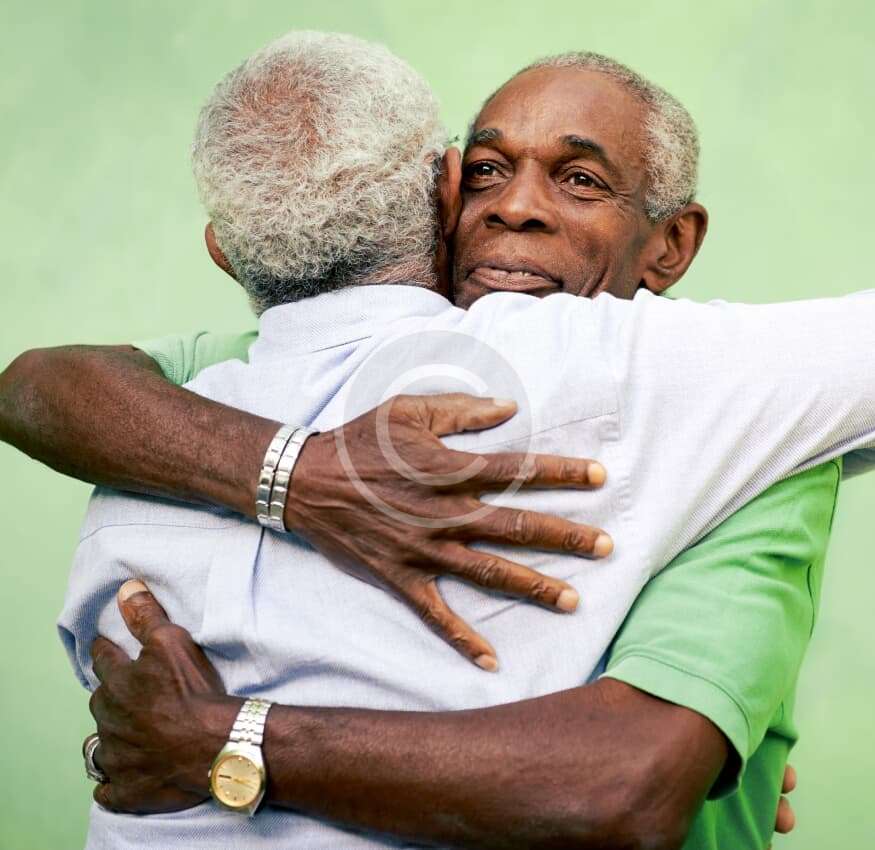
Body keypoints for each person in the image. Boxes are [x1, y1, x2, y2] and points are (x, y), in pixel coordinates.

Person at [2, 30, 871, 849]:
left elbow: (624, 783)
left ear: (670, 245)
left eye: (579, 181)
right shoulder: (247, 372)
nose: (515, 208)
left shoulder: (741, 434)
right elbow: (40, 386)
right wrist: (300, 474)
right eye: (489, 171)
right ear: (445, 194)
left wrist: (220, 740)